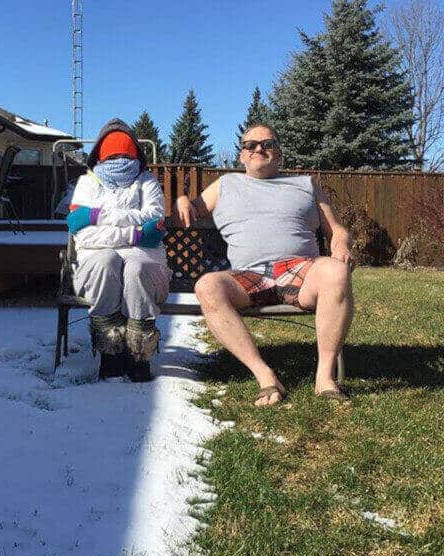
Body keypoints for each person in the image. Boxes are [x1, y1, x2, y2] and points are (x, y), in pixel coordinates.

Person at [176, 124, 353, 406]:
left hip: (302, 270)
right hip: (248, 276)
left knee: (336, 271)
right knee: (207, 286)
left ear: (279, 153)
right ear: (242, 155)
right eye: (250, 145)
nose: (259, 149)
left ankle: (324, 377)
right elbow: (192, 209)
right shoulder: (225, 185)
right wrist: (183, 199)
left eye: (267, 144)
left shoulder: (305, 184)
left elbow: (337, 229)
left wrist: (341, 243)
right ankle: (265, 375)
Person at [67, 119, 171, 381]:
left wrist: (97, 216)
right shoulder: (88, 183)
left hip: (145, 258)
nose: (120, 158)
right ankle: (110, 355)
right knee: (105, 261)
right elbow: (81, 232)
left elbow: (154, 222)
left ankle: (139, 355)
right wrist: (134, 232)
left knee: (138, 267)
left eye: (125, 152)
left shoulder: (147, 181)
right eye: (114, 153)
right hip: (97, 257)